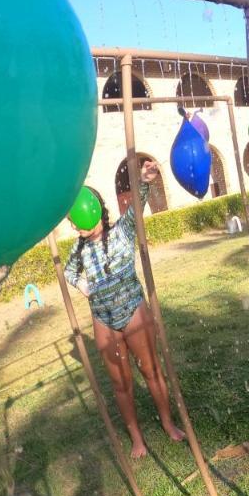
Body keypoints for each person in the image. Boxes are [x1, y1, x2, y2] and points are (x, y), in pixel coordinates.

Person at [64, 160, 184, 458]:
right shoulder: (78, 249)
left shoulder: (122, 232)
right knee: (121, 385)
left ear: (95, 214)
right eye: (73, 224)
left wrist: (144, 180)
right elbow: (69, 272)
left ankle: (168, 423)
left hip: (133, 312)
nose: (76, 228)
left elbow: (137, 206)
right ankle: (137, 439)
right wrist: (85, 288)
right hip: (103, 319)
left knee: (151, 370)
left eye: (79, 223)